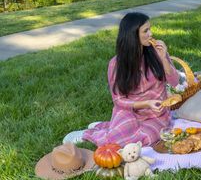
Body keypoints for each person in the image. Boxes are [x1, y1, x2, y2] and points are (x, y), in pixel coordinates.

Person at [74, 12, 179, 147]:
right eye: (146, 31)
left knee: (145, 139)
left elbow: (175, 82)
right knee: (114, 141)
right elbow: (118, 100)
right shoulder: (116, 64)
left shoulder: (157, 52)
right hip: (130, 111)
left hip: (156, 114)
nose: (151, 34)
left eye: (150, 29)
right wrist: (146, 103)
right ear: (133, 35)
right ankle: (91, 133)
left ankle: (109, 126)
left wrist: (164, 58)